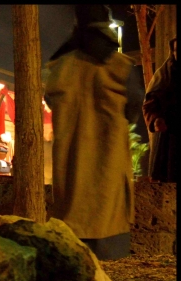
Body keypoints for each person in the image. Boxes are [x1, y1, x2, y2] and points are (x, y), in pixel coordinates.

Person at [45, 5, 144, 260]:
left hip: (71, 167)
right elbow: (134, 104)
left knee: (72, 245)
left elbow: (50, 100)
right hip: (107, 166)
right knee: (109, 232)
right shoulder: (120, 67)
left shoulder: (60, 68)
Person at [143, 37, 178, 183]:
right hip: (171, 139)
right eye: (176, 50)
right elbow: (150, 102)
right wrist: (156, 119)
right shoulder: (165, 74)